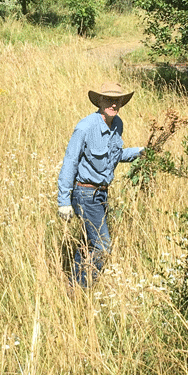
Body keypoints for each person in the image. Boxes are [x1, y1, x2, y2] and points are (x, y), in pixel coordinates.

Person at [57, 81, 144, 287]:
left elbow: (114, 156)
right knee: (103, 245)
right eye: (108, 100)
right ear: (100, 101)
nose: (113, 104)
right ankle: (83, 289)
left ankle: (73, 289)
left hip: (101, 194)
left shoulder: (117, 125)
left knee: (89, 243)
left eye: (117, 101)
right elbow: (70, 160)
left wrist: (140, 151)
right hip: (85, 194)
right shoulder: (85, 127)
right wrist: (63, 201)